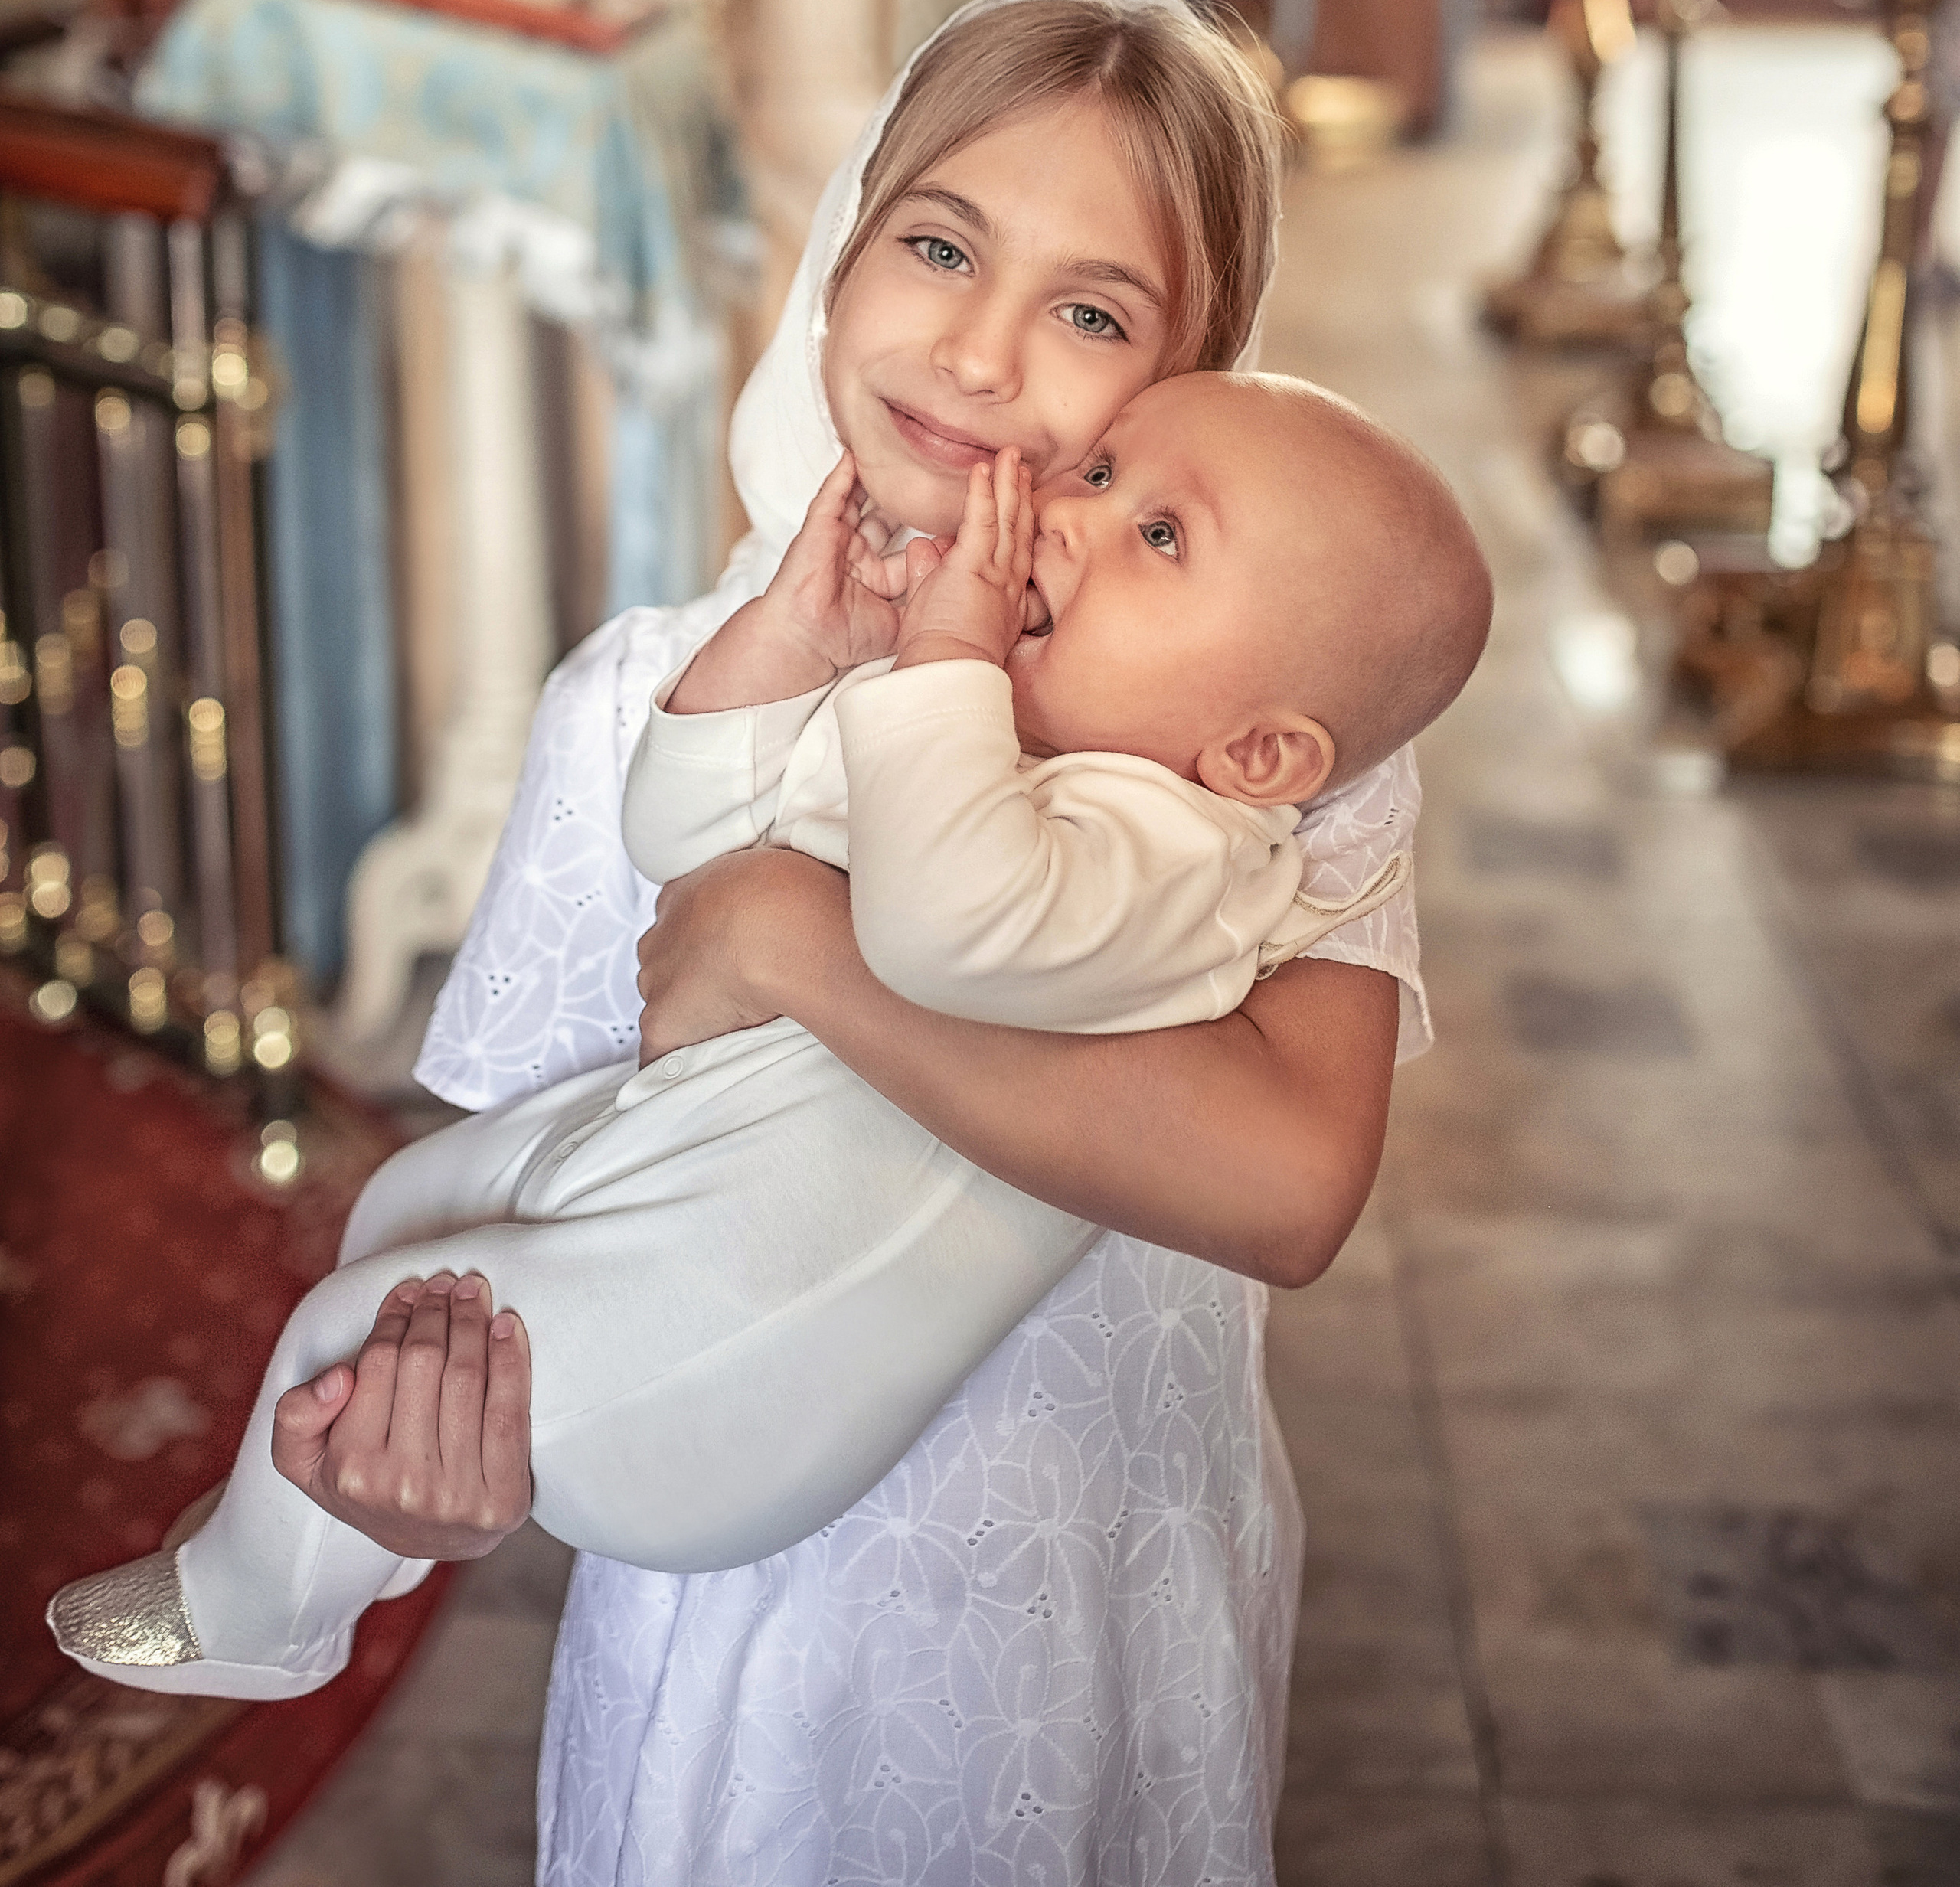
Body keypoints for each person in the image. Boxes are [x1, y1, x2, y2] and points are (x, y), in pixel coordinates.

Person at [214, 0, 1442, 1882]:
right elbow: (535, 1233)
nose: (975, 353)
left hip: (1114, 1596)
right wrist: (439, 1481)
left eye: (1092, 315)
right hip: (751, 1655)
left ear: (1194, 380)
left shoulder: (1277, 740)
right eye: (937, 247)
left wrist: (797, 942)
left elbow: (1282, 1190)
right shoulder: (647, 703)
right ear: (846, 243)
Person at [49, 371, 1486, 1703]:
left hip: (738, 1378)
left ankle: (250, 1622)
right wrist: (809, 646)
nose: (1066, 514)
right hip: (668, 1228)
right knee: (402, 1205)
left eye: (1159, 535)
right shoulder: (979, 738)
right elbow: (686, 841)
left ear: (1258, 756)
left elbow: (937, 931)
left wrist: (943, 661)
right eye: (1101, 473)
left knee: (350, 1326)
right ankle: (349, 1535)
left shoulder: (1174, 851)